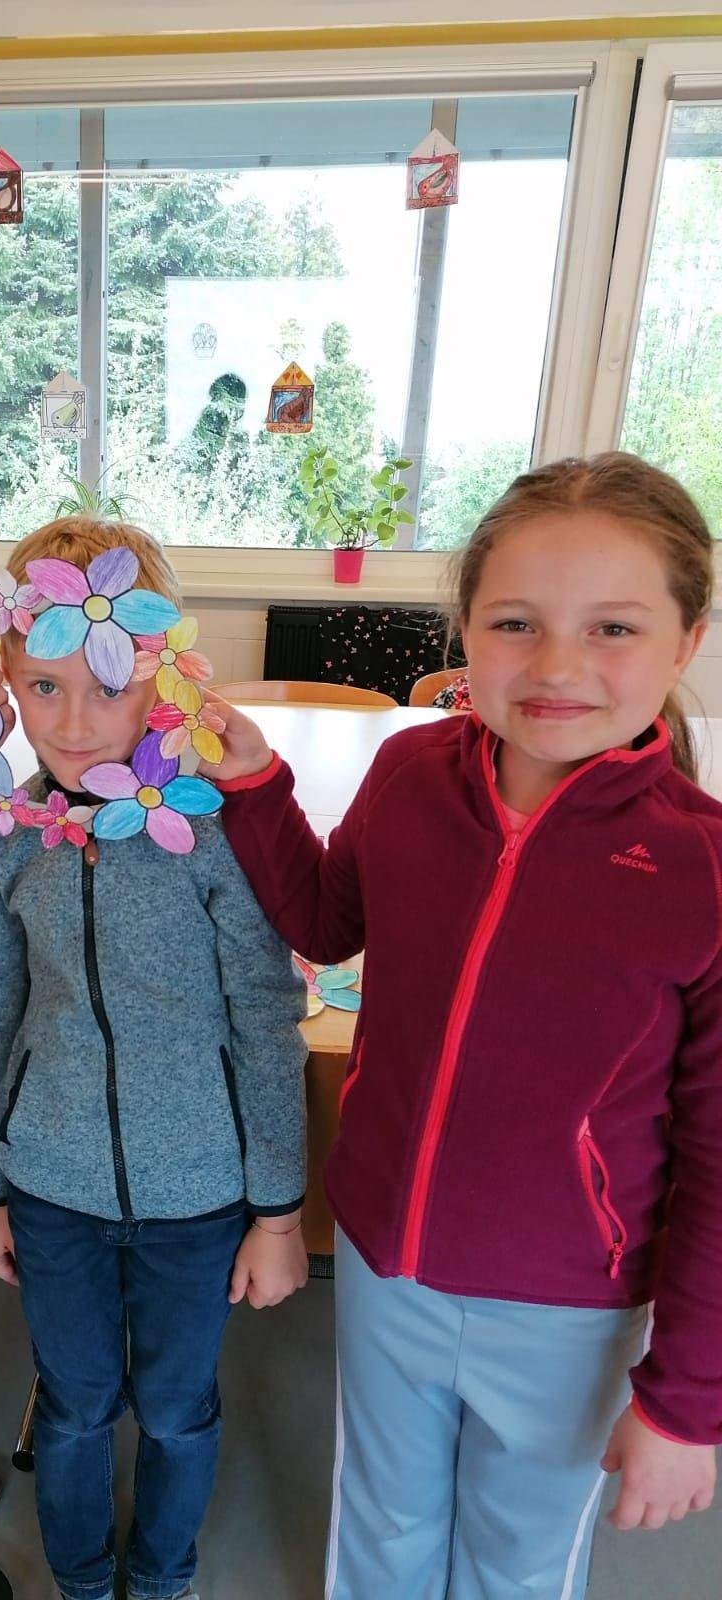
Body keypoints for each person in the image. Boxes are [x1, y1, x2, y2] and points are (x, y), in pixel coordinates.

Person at [205, 454, 720, 1598]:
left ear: (686, 640)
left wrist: (687, 1402)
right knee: (379, 1530)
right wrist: (257, 786)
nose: (557, 665)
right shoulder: (409, 772)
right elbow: (327, 921)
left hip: (573, 1302)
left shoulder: (703, 868)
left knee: (516, 1562)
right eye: (516, 622)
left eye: (613, 628)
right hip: (388, 1258)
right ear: (466, 631)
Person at [0, 516, 309, 1600]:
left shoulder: (209, 834)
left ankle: (159, 1578)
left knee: (174, 1407)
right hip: (50, 1184)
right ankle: (78, 1580)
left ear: (160, 676)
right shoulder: (16, 834)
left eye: (107, 687)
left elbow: (265, 1015)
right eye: (44, 687)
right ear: (9, 681)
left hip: (197, 1192)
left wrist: (278, 1212)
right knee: (71, 1404)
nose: (73, 722)